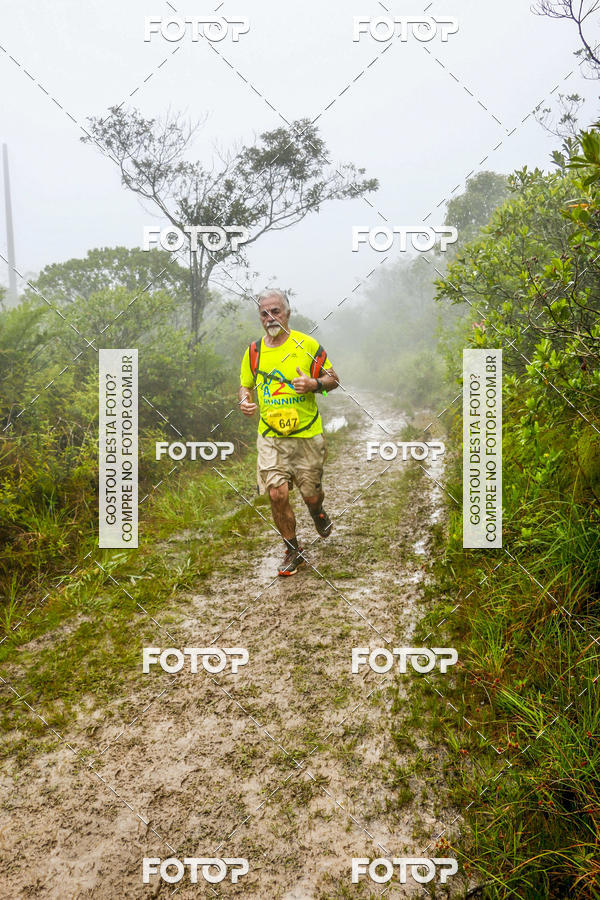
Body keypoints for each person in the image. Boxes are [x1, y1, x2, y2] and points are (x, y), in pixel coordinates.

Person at [239, 288, 340, 576]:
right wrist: (244, 401)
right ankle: (293, 550)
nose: (270, 318)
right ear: (260, 317)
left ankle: (317, 512)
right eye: (264, 313)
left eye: (275, 311)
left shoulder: (307, 345)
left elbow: (333, 379)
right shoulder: (254, 351)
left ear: (287, 313)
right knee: (276, 494)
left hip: (307, 436)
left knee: (311, 496)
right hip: (270, 436)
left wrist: (314, 385)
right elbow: (245, 385)